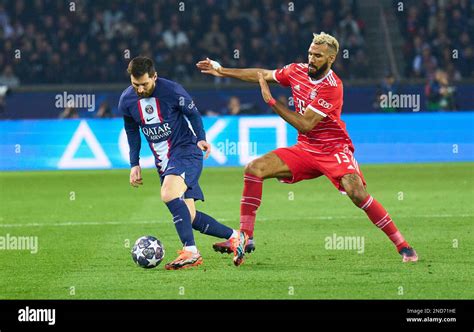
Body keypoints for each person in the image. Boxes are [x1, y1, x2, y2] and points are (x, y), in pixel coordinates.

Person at [196, 32, 418, 265]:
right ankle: (245, 237)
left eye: (318, 56)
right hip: (306, 148)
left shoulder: (333, 87)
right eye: (310, 53)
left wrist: (271, 102)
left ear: (331, 59)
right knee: (254, 168)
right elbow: (262, 74)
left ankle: (403, 246)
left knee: (356, 192)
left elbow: (305, 123)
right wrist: (222, 70)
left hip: (333, 149)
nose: (312, 59)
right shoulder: (296, 71)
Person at [119, 56, 247, 269]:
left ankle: (191, 252)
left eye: (144, 84)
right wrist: (135, 163)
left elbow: (193, 113)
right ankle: (236, 236)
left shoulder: (172, 91)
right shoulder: (127, 100)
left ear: (154, 77)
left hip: (187, 152)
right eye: (135, 85)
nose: (140, 90)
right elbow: (132, 130)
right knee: (190, 216)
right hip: (165, 163)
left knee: (168, 194)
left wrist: (201, 138)